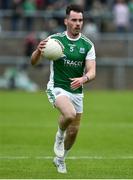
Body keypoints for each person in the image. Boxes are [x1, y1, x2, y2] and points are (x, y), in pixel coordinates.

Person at [31, 4, 96, 174]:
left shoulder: (87, 45)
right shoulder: (54, 40)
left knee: (74, 132)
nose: (77, 23)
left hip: (76, 91)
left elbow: (92, 71)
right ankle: (59, 135)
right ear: (66, 21)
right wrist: (38, 51)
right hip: (57, 87)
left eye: (80, 20)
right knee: (69, 114)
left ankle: (60, 159)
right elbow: (33, 62)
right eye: (74, 20)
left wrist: (84, 78)